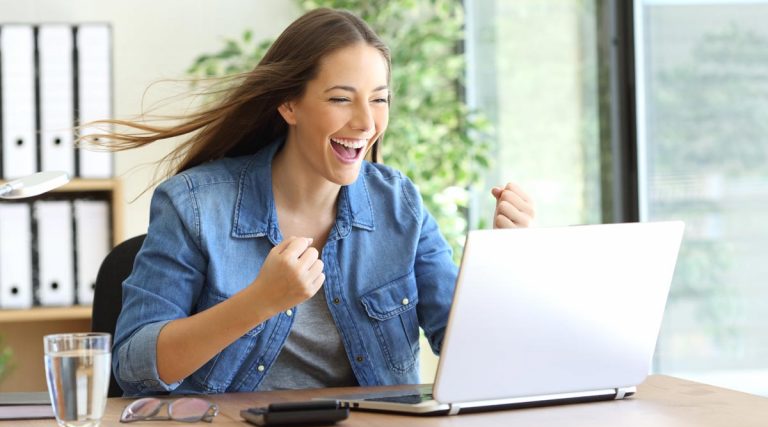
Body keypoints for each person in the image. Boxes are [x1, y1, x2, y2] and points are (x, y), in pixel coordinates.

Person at [103, 8, 535, 396]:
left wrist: (506, 264)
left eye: (379, 99)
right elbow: (133, 366)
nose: (366, 122)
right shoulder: (194, 206)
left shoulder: (399, 203)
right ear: (289, 105)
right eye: (341, 99)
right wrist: (259, 302)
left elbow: (467, 350)